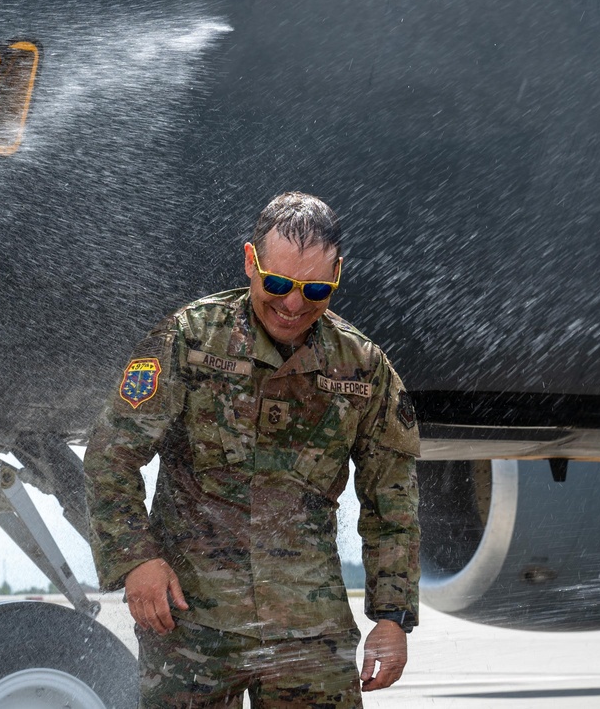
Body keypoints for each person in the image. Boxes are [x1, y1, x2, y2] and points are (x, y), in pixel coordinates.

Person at [83, 192, 420, 708]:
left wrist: (392, 619)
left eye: (315, 290)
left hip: (308, 632)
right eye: (279, 284)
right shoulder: (189, 340)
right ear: (250, 262)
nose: (292, 304)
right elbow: (112, 457)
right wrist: (136, 562)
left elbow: (391, 503)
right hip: (192, 624)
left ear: (337, 276)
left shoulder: (362, 368)